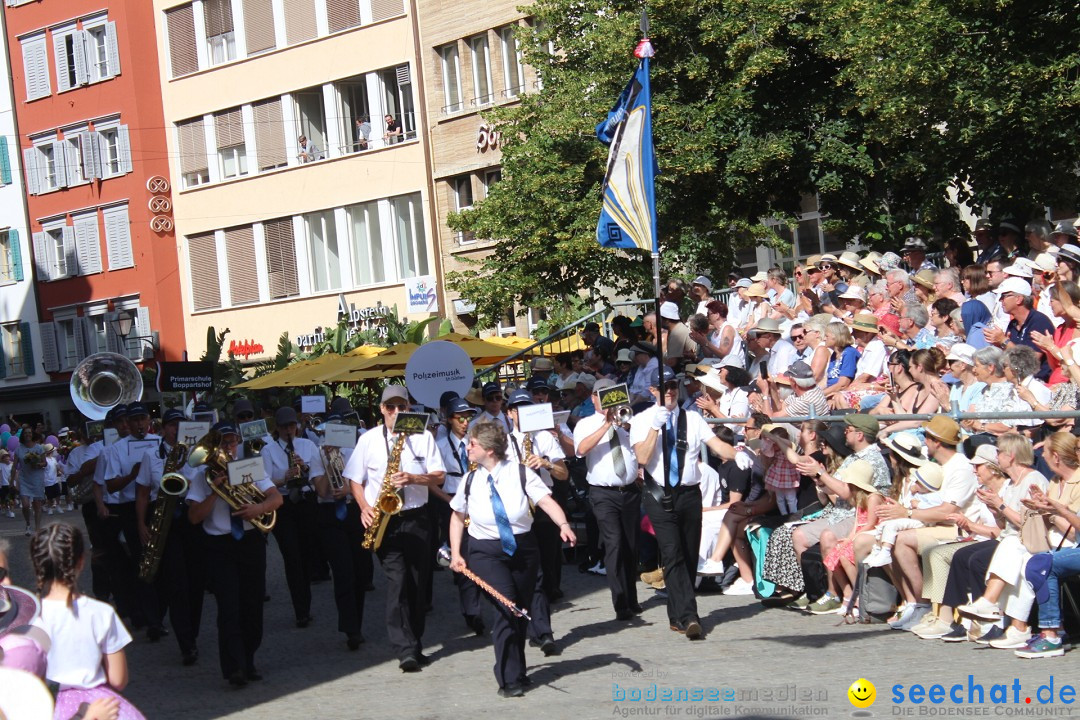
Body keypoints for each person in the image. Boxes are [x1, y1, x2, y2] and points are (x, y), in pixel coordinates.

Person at [448, 422, 577, 698]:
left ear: (490, 450)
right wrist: (457, 553)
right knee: (507, 607)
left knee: (520, 610)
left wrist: (563, 524)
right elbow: (457, 516)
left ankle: (517, 670)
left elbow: (545, 501)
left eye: (473, 444)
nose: (468, 447)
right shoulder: (470, 479)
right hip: (485, 551)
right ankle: (507, 679)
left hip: (523, 548)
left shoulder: (520, 473)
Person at [344, 385, 446, 672]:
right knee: (397, 582)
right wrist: (364, 506)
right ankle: (404, 649)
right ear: (382, 410)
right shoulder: (369, 440)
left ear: (409, 408)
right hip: (385, 520)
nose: (397, 412)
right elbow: (354, 479)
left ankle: (414, 643)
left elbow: (438, 477)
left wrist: (414, 478)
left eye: (402, 406)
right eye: (391, 407)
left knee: (418, 584)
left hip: (417, 517)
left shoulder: (423, 436)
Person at [630, 366, 735, 640]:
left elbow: (717, 446)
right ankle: (690, 616)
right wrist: (655, 426)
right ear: (653, 391)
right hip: (658, 494)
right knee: (672, 552)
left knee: (687, 555)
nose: (671, 392)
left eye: (673, 386)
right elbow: (641, 457)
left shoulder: (692, 418)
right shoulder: (642, 420)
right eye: (664, 388)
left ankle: (677, 614)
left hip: (689, 493)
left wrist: (742, 454)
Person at [186, 421, 282, 687]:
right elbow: (194, 517)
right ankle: (234, 668)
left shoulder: (250, 466)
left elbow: (277, 499)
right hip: (219, 546)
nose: (228, 448)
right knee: (228, 607)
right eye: (223, 443)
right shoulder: (202, 477)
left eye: (232, 442)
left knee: (252, 606)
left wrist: (258, 507)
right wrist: (216, 492)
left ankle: (248, 660)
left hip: (250, 541)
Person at [30, 523, 148, 719]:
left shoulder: (30, 618)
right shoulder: (101, 613)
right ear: (81, 561)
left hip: (47, 707)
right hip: (99, 704)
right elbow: (118, 679)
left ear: (37, 565)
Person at [574, 379, 640, 620]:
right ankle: (620, 603)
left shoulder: (628, 419)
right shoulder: (585, 423)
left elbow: (640, 446)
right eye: (601, 395)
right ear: (593, 398)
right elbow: (581, 450)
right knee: (614, 544)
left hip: (630, 490)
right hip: (603, 493)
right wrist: (606, 424)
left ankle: (632, 599)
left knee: (631, 546)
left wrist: (628, 425)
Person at [261, 406, 325, 629]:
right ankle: (301, 610)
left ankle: (305, 599)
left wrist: (304, 467)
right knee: (292, 556)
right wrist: (284, 478)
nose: (289, 430)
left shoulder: (308, 445)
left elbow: (317, 473)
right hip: (284, 504)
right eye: (284, 426)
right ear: (277, 428)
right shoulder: (268, 450)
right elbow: (265, 482)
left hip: (306, 502)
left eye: (291, 425)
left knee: (307, 553)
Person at [15, 430, 47, 536]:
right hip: (24, 479)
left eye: (30, 432)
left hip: (37, 478)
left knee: (37, 505)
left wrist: (38, 464)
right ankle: (28, 524)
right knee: (25, 505)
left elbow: (45, 463)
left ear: (32, 434)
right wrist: (12, 482)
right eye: (25, 433)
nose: (28, 434)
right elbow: (14, 466)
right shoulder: (19, 449)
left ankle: (37, 528)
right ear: (22, 435)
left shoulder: (39, 448)